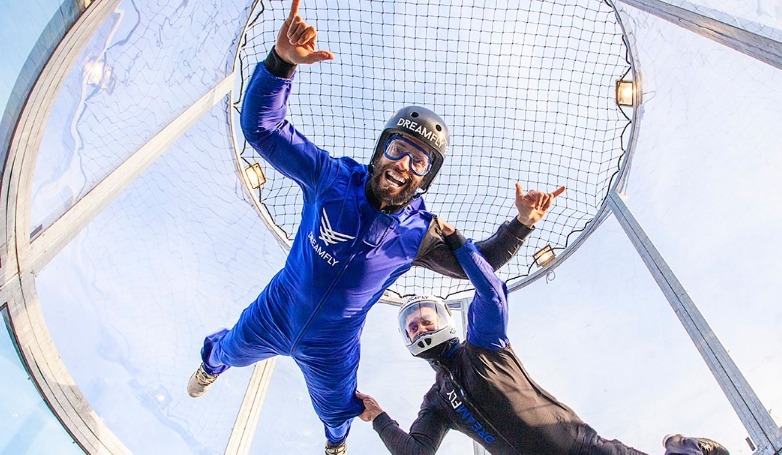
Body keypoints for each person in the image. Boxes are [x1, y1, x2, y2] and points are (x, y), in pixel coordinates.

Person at [186, 1, 566, 454]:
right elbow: (263, 128)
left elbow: (477, 266)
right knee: (227, 350)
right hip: (276, 310)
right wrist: (280, 63)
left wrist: (521, 225)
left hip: (333, 345)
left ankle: (335, 444)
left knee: (337, 408)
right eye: (397, 148)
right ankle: (210, 365)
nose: (403, 164)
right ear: (379, 150)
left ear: (426, 177)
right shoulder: (331, 178)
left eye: (419, 160)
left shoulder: (419, 233)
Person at [356, 224, 730, 455]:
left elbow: (491, 292)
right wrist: (379, 418)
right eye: (411, 328)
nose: (418, 329)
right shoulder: (436, 402)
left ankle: (683, 445)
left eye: (424, 321)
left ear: (446, 322)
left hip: (585, 449)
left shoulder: (482, 346)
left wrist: (458, 243)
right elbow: (416, 453)